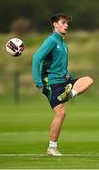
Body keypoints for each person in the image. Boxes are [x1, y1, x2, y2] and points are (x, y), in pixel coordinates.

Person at [32, 13, 93, 156]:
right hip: (52, 83)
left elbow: (60, 66)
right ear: (55, 24)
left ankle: (70, 93)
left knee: (88, 80)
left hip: (63, 81)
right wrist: (37, 80)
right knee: (61, 113)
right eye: (63, 22)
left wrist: (68, 75)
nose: (66, 25)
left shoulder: (63, 44)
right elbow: (36, 58)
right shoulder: (52, 40)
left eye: (67, 23)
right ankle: (52, 148)